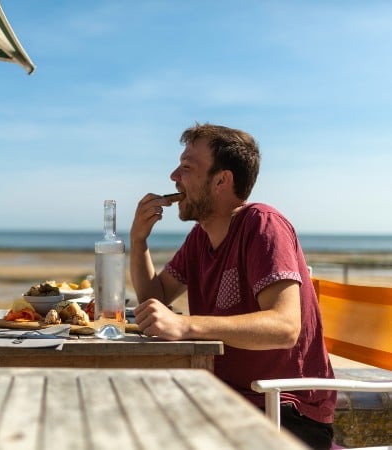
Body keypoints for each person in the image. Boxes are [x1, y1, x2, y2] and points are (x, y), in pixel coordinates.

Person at [130, 123, 335, 450]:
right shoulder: (200, 238)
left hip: (284, 412)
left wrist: (185, 325)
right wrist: (139, 242)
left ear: (222, 180)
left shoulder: (263, 225)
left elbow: (285, 326)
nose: (173, 177)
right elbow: (156, 298)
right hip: (224, 401)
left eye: (186, 167)